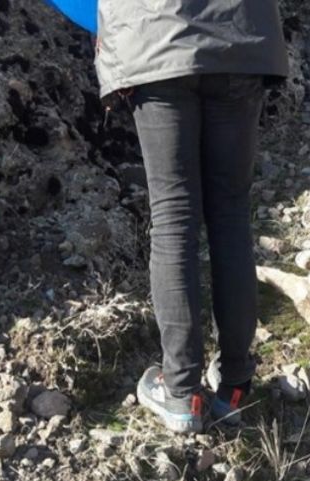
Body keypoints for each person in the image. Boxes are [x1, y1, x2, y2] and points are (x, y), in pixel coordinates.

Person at [95, 1, 288, 433]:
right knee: (232, 212)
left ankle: (181, 391)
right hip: (240, 36)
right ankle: (235, 384)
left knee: (173, 215)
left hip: (153, 39)